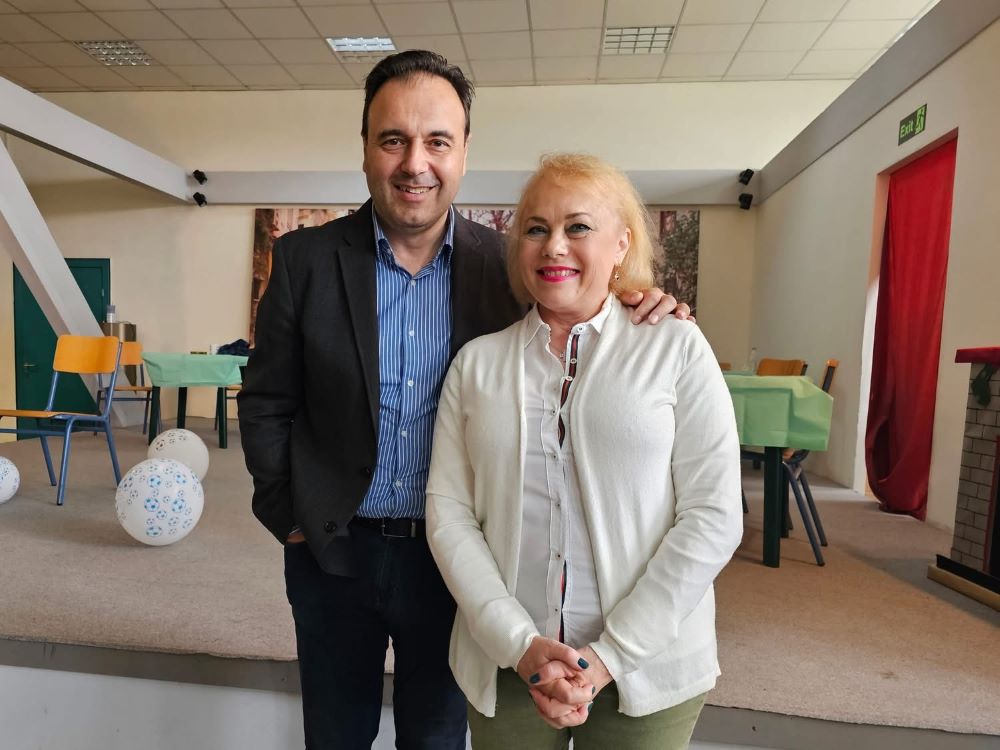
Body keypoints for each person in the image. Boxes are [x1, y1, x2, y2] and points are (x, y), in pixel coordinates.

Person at [238, 51, 692, 750]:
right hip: (333, 550)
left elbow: (578, 304)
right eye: (393, 140)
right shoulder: (305, 260)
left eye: (437, 141)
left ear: (464, 152)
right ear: (366, 147)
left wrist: (639, 298)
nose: (414, 163)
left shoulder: (509, 264)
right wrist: (288, 515)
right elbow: (267, 399)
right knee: (334, 735)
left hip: (462, 561)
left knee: (438, 738)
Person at [426, 153, 743, 749]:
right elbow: (449, 515)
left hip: (648, 668)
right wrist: (521, 645)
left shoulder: (676, 347)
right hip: (509, 665)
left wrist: (609, 656)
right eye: (536, 228)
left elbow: (714, 514)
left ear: (622, 243)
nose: (554, 246)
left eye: (578, 227)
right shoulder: (476, 364)